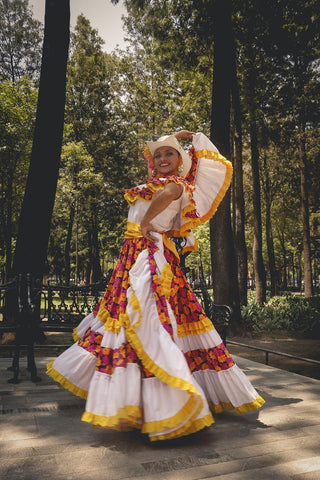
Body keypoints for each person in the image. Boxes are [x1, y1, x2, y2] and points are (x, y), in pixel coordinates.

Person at [47, 130, 264, 442]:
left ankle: (166, 400)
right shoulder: (158, 185)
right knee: (130, 319)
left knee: (145, 318)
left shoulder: (175, 185)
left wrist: (146, 224)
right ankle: (137, 398)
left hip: (149, 255)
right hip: (137, 254)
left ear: (180, 161)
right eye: (158, 154)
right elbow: (169, 214)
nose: (163, 159)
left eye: (170, 154)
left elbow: (165, 201)